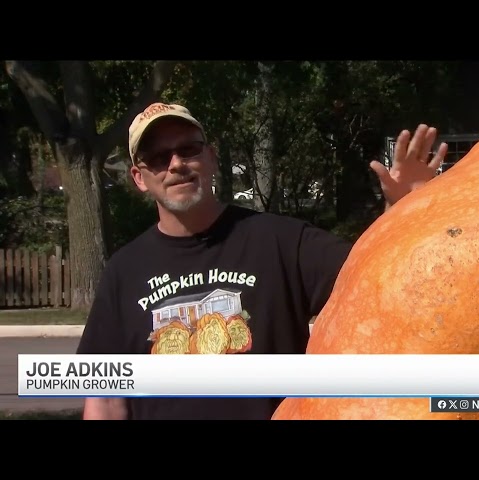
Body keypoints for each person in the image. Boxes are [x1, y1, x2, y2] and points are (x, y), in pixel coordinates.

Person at [76, 102, 448, 420]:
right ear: (140, 178)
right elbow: (105, 396)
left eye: (189, 149)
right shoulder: (124, 271)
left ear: (211, 157)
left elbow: (373, 276)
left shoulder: (281, 241)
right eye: (159, 157)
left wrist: (402, 212)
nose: (176, 164)